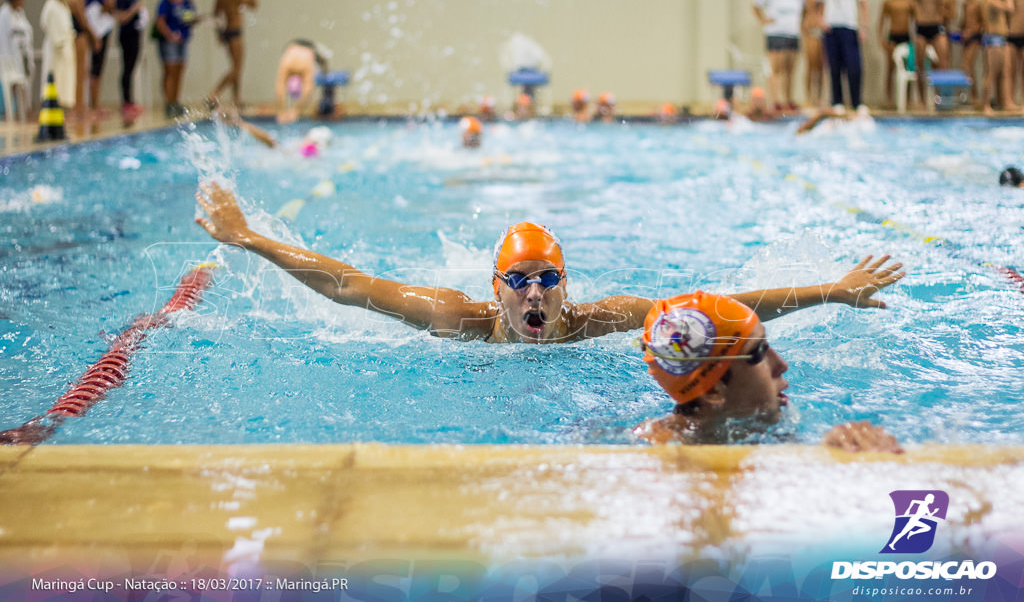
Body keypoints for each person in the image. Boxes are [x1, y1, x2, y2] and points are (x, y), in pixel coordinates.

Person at [194, 185, 906, 344]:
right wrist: (250, 235)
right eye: (519, 281)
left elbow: (720, 305)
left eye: (548, 279)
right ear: (495, 288)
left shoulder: (600, 319)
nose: (534, 293)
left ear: (567, 286)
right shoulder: (456, 316)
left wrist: (830, 291)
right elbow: (348, 284)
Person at [632, 291, 903, 451]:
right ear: (714, 388)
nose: (781, 365)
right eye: (758, 353)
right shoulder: (652, 454)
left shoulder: (755, 429)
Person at [817, 0, 869, 112]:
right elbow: (816, 5)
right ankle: (837, 102)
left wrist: (863, 27)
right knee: (834, 66)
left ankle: (856, 102)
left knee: (854, 67)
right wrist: (820, 20)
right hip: (831, 29)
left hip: (849, 28)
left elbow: (863, 5)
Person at [752, 0, 805, 112]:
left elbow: (806, 9)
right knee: (776, 69)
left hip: (793, 34)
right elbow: (755, 5)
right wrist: (763, 19)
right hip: (776, 34)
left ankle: (788, 101)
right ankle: (776, 102)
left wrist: (802, 24)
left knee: (790, 70)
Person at [154, 0, 200, 118]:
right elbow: (160, 21)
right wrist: (170, 35)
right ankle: (168, 103)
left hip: (183, 41)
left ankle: (175, 102)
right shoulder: (165, 2)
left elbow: (190, 18)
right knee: (170, 71)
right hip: (169, 41)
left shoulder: (187, 2)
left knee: (179, 71)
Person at [209, 0, 257, 107]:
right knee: (236, 68)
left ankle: (236, 99)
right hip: (235, 32)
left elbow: (215, 14)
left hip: (227, 31)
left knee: (236, 67)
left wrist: (219, 33)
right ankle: (214, 94)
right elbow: (254, 4)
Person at [912, 0, 953, 107]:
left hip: (937, 26)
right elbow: (910, 4)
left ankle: (940, 98)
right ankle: (922, 100)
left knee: (943, 63)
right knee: (919, 64)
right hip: (921, 26)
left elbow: (950, 12)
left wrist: (943, 3)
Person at [275, 39, 330, 124]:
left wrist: (281, 110)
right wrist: (297, 111)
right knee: (308, 87)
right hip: (306, 60)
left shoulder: (291, 49)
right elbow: (308, 90)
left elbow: (280, 86)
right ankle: (295, 113)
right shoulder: (310, 51)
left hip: (289, 57)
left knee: (281, 84)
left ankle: (281, 113)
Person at [39, 0, 76, 111]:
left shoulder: (63, 5)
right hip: (55, 47)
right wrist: (58, 40)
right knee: (53, 76)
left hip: (65, 47)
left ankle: (62, 105)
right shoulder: (50, 5)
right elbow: (46, 24)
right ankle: (50, 105)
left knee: (64, 79)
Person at [114, 0, 147, 124]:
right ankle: (126, 102)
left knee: (131, 70)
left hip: (135, 36)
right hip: (126, 38)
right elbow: (120, 18)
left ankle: (130, 101)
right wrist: (133, 10)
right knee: (127, 70)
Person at [982, 0, 1017, 115]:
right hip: (993, 40)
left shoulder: (995, 0)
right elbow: (1010, 8)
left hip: (1002, 40)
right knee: (992, 73)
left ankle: (1006, 102)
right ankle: (986, 105)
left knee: (1004, 73)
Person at [877, 0, 914, 109]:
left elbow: (916, 20)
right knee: (890, 68)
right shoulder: (889, 2)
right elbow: (881, 20)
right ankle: (889, 99)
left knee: (909, 69)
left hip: (906, 36)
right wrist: (881, 38)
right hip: (892, 37)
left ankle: (908, 100)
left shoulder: (909, 3)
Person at [0, 0, 34, 116]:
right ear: (14, 0)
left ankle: (26, 109)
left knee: (26, 82)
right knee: (13, 83)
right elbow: (5, 37)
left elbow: (26, 31)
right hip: (9, 56)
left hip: (23, 54)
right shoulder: (4, 14)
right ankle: (12, 111)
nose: (23, 1)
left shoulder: (20, 13)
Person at [802, 0, 827, 110]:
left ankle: (819, 97)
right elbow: (802, 14)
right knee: (810, 67)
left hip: (822, 33)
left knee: (821, 68)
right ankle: (808, 97)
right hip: (811, 33)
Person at [960, 0, 985, 106]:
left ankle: (975, 96)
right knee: (966, 67)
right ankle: (970, 95)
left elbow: (983, 23)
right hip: (966, 37)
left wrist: (972, 32)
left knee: (968, 66)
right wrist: (962, 32)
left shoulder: (978, 3)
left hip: (975, 37)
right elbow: (964, 22)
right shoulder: (965, 3)